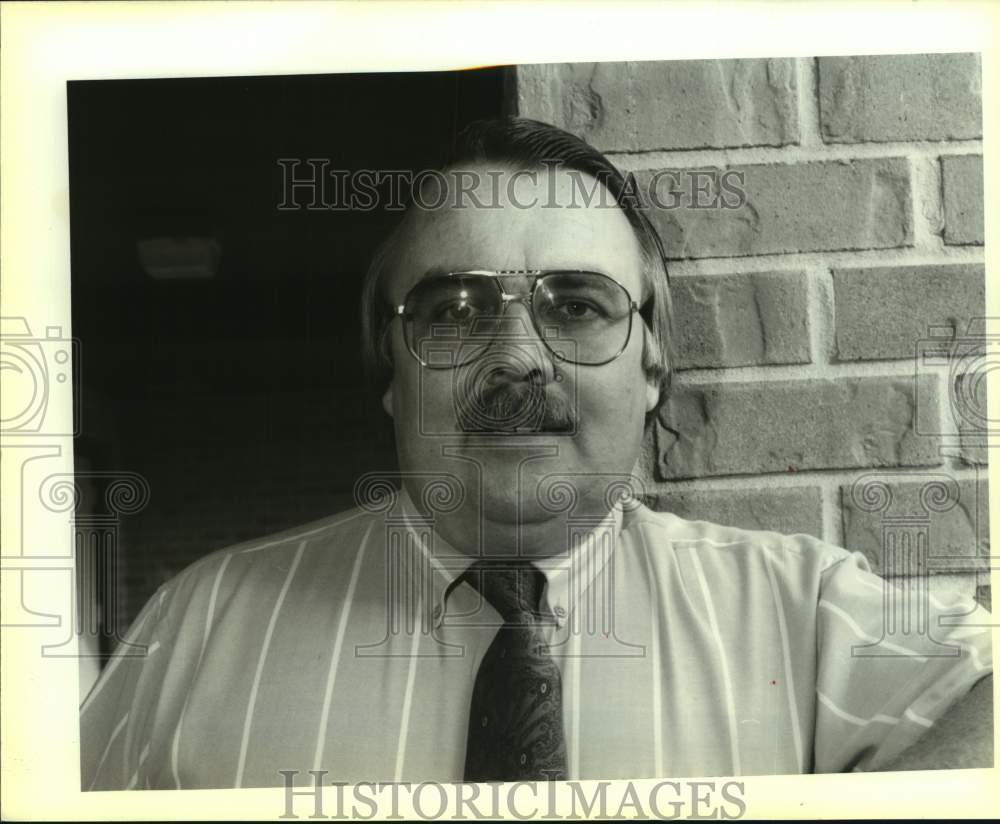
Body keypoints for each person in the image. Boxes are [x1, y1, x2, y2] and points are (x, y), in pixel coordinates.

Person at [81, 118, 993, 790]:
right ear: (390, 371)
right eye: (453, 311)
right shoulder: (194, 633)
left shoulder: (807, 619)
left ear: (650, 366)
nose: (516, 357)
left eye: (579, 305)